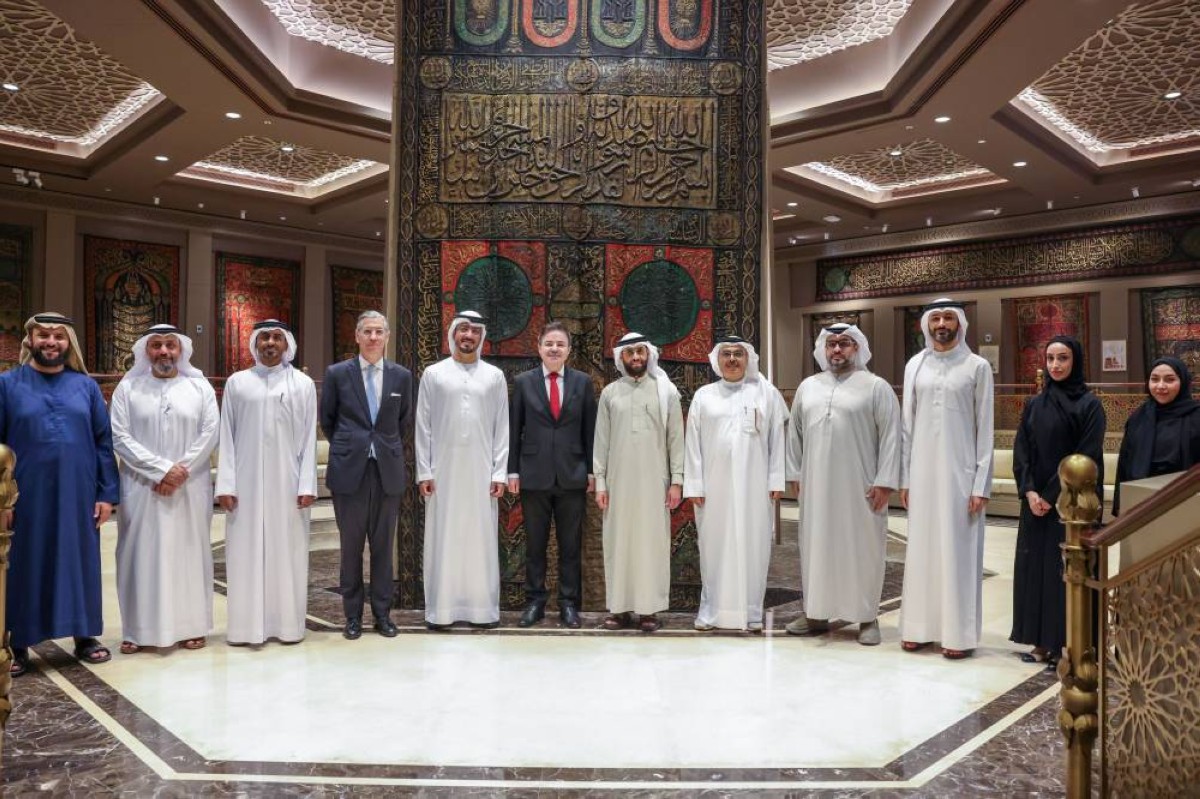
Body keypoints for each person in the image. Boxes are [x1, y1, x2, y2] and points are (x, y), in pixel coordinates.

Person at [0, 313, 119, 676]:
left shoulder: (85, 387)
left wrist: (106, 494)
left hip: (78, 493)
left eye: (58, 336)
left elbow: (103, 442)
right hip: (25, 495)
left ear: (69, 343)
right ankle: (18, 644)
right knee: (23, 563)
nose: (51, 342)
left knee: (79, 561)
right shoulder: (7, 384)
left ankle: (84, 636)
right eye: (43, 335)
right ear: (30, 340)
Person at [785, 324, 901, 645]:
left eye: (844, 343)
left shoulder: (875, 387)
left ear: (857, 347)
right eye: (831, 344)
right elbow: (794, 434)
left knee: (862, 549)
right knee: (817, 547)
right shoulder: (808, 387)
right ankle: (816, 613)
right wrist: (795, 474)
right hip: (816, 485)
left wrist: (885, 481)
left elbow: (892, 436)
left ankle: (866, 617)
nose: (837, 349)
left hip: (861, 487)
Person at [110, 324, 220, 653]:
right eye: (156, 345)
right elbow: (119, 436)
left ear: (180, 350)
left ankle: (191, 626)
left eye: (170, 345)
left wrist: (178, 471)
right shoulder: (128, 389)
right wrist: (161, 470)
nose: (164, 351)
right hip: (141, 486)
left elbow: (210, 432)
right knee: (138, 554)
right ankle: (137, 630)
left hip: (189, 486)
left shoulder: (199, 387)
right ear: (146, 351)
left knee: (189, 553)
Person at [898, 298, 994, 659]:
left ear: (960, 324)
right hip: (921, 473)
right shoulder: (915, 366)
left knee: (959, 553)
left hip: (961, 475)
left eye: (948, 318)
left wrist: (980, 484)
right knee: (921, 550)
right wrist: (906, 479)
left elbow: (985, 428)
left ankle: (959, 635)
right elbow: (907, 427)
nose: (941, 324)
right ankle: (918, 629)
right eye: (936, 318)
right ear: (927, 324)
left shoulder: (977, 366)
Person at [215, 320, 317, 646]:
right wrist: (226, 485)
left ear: (287, 344)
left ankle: (287, 626)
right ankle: (245, 629)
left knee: (287, 553)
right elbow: (226, 436)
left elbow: (309, 438)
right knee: (244, 553)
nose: (270, 343)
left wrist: (307, 485)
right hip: (244, 485)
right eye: (264, 338)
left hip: (289, 485)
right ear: (254, 344)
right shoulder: (237, 383)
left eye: (276, 337)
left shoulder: (302, 384)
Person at [1010, 335, 1104, 668]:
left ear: (1075, 361)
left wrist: (1051, 496)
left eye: (1062, 358)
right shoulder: (1036, 404)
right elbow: (1022, 449)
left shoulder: (1090, 405)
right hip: (1035, 503)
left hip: (1071, 506)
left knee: (1063, 573)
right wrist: (1030, 491)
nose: (1055, 365)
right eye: (1050, 358)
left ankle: (1066, 644)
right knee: (1034, 571)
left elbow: (1085, 455)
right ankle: (1039, 640)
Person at [320, 311, 415, 640]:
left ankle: (382, 614)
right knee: (350, 548)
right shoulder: (337, 374)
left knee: (383, 548)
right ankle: (352, 617)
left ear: (387, 336)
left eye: (379, 332)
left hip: (386, 472)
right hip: (350, 472)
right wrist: (353, 447)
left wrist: (381, 446)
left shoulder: (401, 376)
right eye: (367, 332)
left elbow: (403, 422)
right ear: (357, 336)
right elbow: (328, 420)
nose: (373, 337)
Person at [684, 336, 787, 632]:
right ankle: (710, 611)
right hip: (713, 488)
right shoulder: (704, 395)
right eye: (726, 354)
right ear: (717, 360)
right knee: (713, 548)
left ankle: (752, 612)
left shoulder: (765, 394)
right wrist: (694, 484)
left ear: (748, 359)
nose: (732, 359)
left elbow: (777, 439)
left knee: (754, 547)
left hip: (755, 486)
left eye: (738, 354)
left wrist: (776, 479)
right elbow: (692, 444)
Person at [415, 311, 509, 630]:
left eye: (475, 331)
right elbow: (423, 426)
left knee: (480, 538)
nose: (468, 335)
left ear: (482, 337)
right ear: (453, 333)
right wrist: (424, 472)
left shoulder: (494, 376)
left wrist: (498, 473)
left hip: (482, 474)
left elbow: (502, 428)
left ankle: (482, 610)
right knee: (444, 535)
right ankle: (441, 610)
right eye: (463, 330)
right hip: (443, 473)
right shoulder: (434, 374)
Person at [593, 332, 685, 633]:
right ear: (621, 357)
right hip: (617, 484)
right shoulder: (610, 393)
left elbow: (676, 439)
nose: (635, 357)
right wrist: (601, 483)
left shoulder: (666, 391)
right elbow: (601, 442)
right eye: (630, 352)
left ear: (649, 355)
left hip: (655, 483)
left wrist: (677, 481)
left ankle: (649, 609)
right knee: (618, 543)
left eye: (640, 352)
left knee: (651, 544)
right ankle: (619, 609)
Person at [507, 321, 597, 629]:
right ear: (539, 348)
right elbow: (514, 429)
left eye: (560, 344)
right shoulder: (523, 382)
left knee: (570, 546)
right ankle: (535, 602)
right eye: (549, 344)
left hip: (573, 475)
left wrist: (592, 471)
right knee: (535, 545)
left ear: (569, 350)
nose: (554, 349)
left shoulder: (583, 382)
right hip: (533, 475)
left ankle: (569, 604)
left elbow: (590, 431)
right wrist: (513, 470)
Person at [1113, 356, 1200, 515]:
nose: (1160, 386)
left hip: (1185, 500)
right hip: (1140, 501)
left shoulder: (1196, 417)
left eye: (1169, 380)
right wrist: (1121, 504)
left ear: (1183, 382)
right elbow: (1125, 463)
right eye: (1154, 379)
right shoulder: (1139, 417)